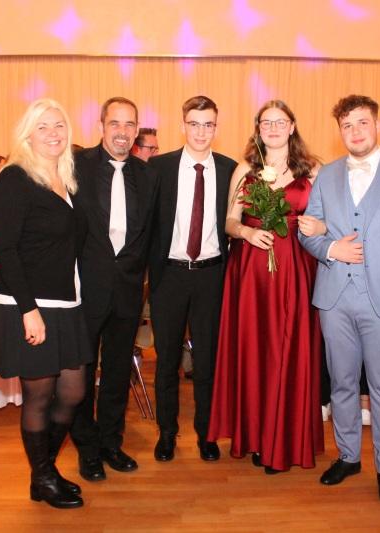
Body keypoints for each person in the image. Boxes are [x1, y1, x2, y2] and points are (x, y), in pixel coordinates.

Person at [300, 94, 380, 502]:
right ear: (339, 131)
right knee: (340, 382)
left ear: (377, 125)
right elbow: (309, 231)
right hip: (335, 299)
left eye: (362, 123)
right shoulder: (327, 176)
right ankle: (348, 456)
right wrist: (330, 248)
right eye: (347, 125)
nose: (355, 132)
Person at [208, 99, 325, 474]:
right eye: (266, 122)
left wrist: (319, 226)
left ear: (292, 126)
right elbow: (229, 222)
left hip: (296, 268)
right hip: (252, 270)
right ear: (258, 129)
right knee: (256, 350)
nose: (273, 128)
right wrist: (246, 232)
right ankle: (257, 436)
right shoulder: (245, 169)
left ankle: (284, 439)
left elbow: (330, 220)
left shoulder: (314, 169)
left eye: (280, 121)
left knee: (289, 349)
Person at [0, 98, 92, 509]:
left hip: (67, 303)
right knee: (39, 397)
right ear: (27, 134)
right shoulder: (15, 178)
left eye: (59, 125)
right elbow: (6, 250)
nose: (53, 133)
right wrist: (28, 311)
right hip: (29, 304)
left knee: (73, 391)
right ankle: (45, 477)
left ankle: (43, 472)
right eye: (43, 126)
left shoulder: (65, 178)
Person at [69, 97, 159, 482]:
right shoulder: (75, 166)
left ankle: (111, 442)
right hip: (84, 289)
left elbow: (152, 235)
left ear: (137, 130)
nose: (122, 132)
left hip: (128, 290)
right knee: (82, 372)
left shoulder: (148, 176)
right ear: (101, 126)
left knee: (119, 371)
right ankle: (86, 448)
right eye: (115, 123)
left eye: (129, 124)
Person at [147, 96, 236, 462]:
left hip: (211, 276)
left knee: (208, 363)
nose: (201, 132)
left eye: (208, 124)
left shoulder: (231, 170)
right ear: (182, 125)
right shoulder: (159, 168)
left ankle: (206, 434)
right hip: (169, 275)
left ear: (217, 127)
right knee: (166, 361)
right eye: (194, 124)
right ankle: (167, 433)